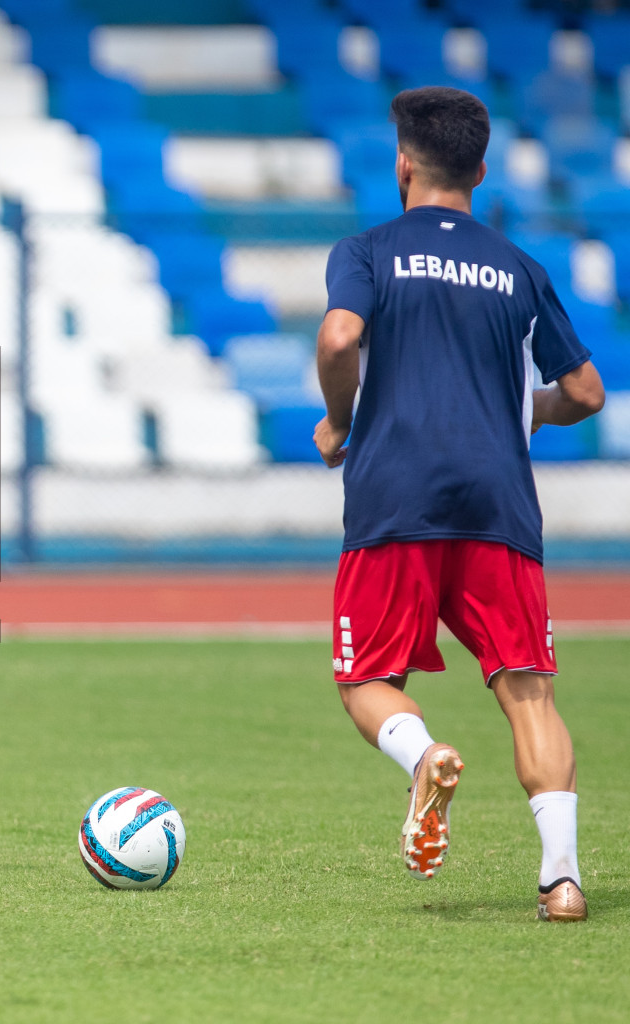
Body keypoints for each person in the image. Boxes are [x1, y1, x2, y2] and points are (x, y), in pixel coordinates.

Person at [314, 86, 604, 921]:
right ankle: (562, 880)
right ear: (480, 170)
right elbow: (583, 391)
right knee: (529, 692)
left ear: (403, 165)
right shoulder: (517, 266)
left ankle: (425, 754)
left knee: (368, 676)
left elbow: (338, 337)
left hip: (395, 492)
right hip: (499, 499)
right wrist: (526, 412)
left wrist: (340, 420)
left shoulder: (368, 250)